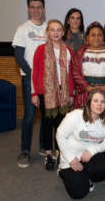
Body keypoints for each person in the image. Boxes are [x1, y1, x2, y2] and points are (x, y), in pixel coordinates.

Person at [31, 19, 74, 170]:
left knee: (61, 124)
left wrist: (71, 93)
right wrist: (35, 93)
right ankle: (49, 154)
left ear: (62, 32)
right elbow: (35, 72)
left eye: (58, 30)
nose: (55, 33)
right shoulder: (41, 50)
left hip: (63, 92)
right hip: (46, 93)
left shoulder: (67, 50)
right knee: (47, 124)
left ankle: (59, 152)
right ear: (48, 32)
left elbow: (70, 74)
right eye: (52, 30)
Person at [56, 88, 105, 199]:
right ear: (88, 102)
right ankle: (62, 172)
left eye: (102, 102)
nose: (99, 104)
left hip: (88, 155)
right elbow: (60, 135)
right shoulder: (75, 115)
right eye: (95, 100)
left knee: (102, 169)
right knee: (79, 193)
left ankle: (85, 174)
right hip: (70, 157)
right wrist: (71, 159)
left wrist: (92, 151)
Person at [12, 0, 47, 168]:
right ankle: (25, 151)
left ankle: (43, 146)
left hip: (47, 81)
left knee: (46, 114)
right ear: (28, 9)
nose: (36, 10)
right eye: (33, 7)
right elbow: (19, 57)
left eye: (39, 7)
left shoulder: (49, 28)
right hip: (29, 80)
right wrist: (34, 75)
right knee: (30, 116)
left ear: (43, 8)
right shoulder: (22, 29)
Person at [72, 21, 105, 108]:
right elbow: (76, 73)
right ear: (87, 37)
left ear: (103, 37)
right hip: (86, 93)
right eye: (93, 35)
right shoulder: (79, 52)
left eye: (99, 35)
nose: (96, 38)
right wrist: (88, 87)